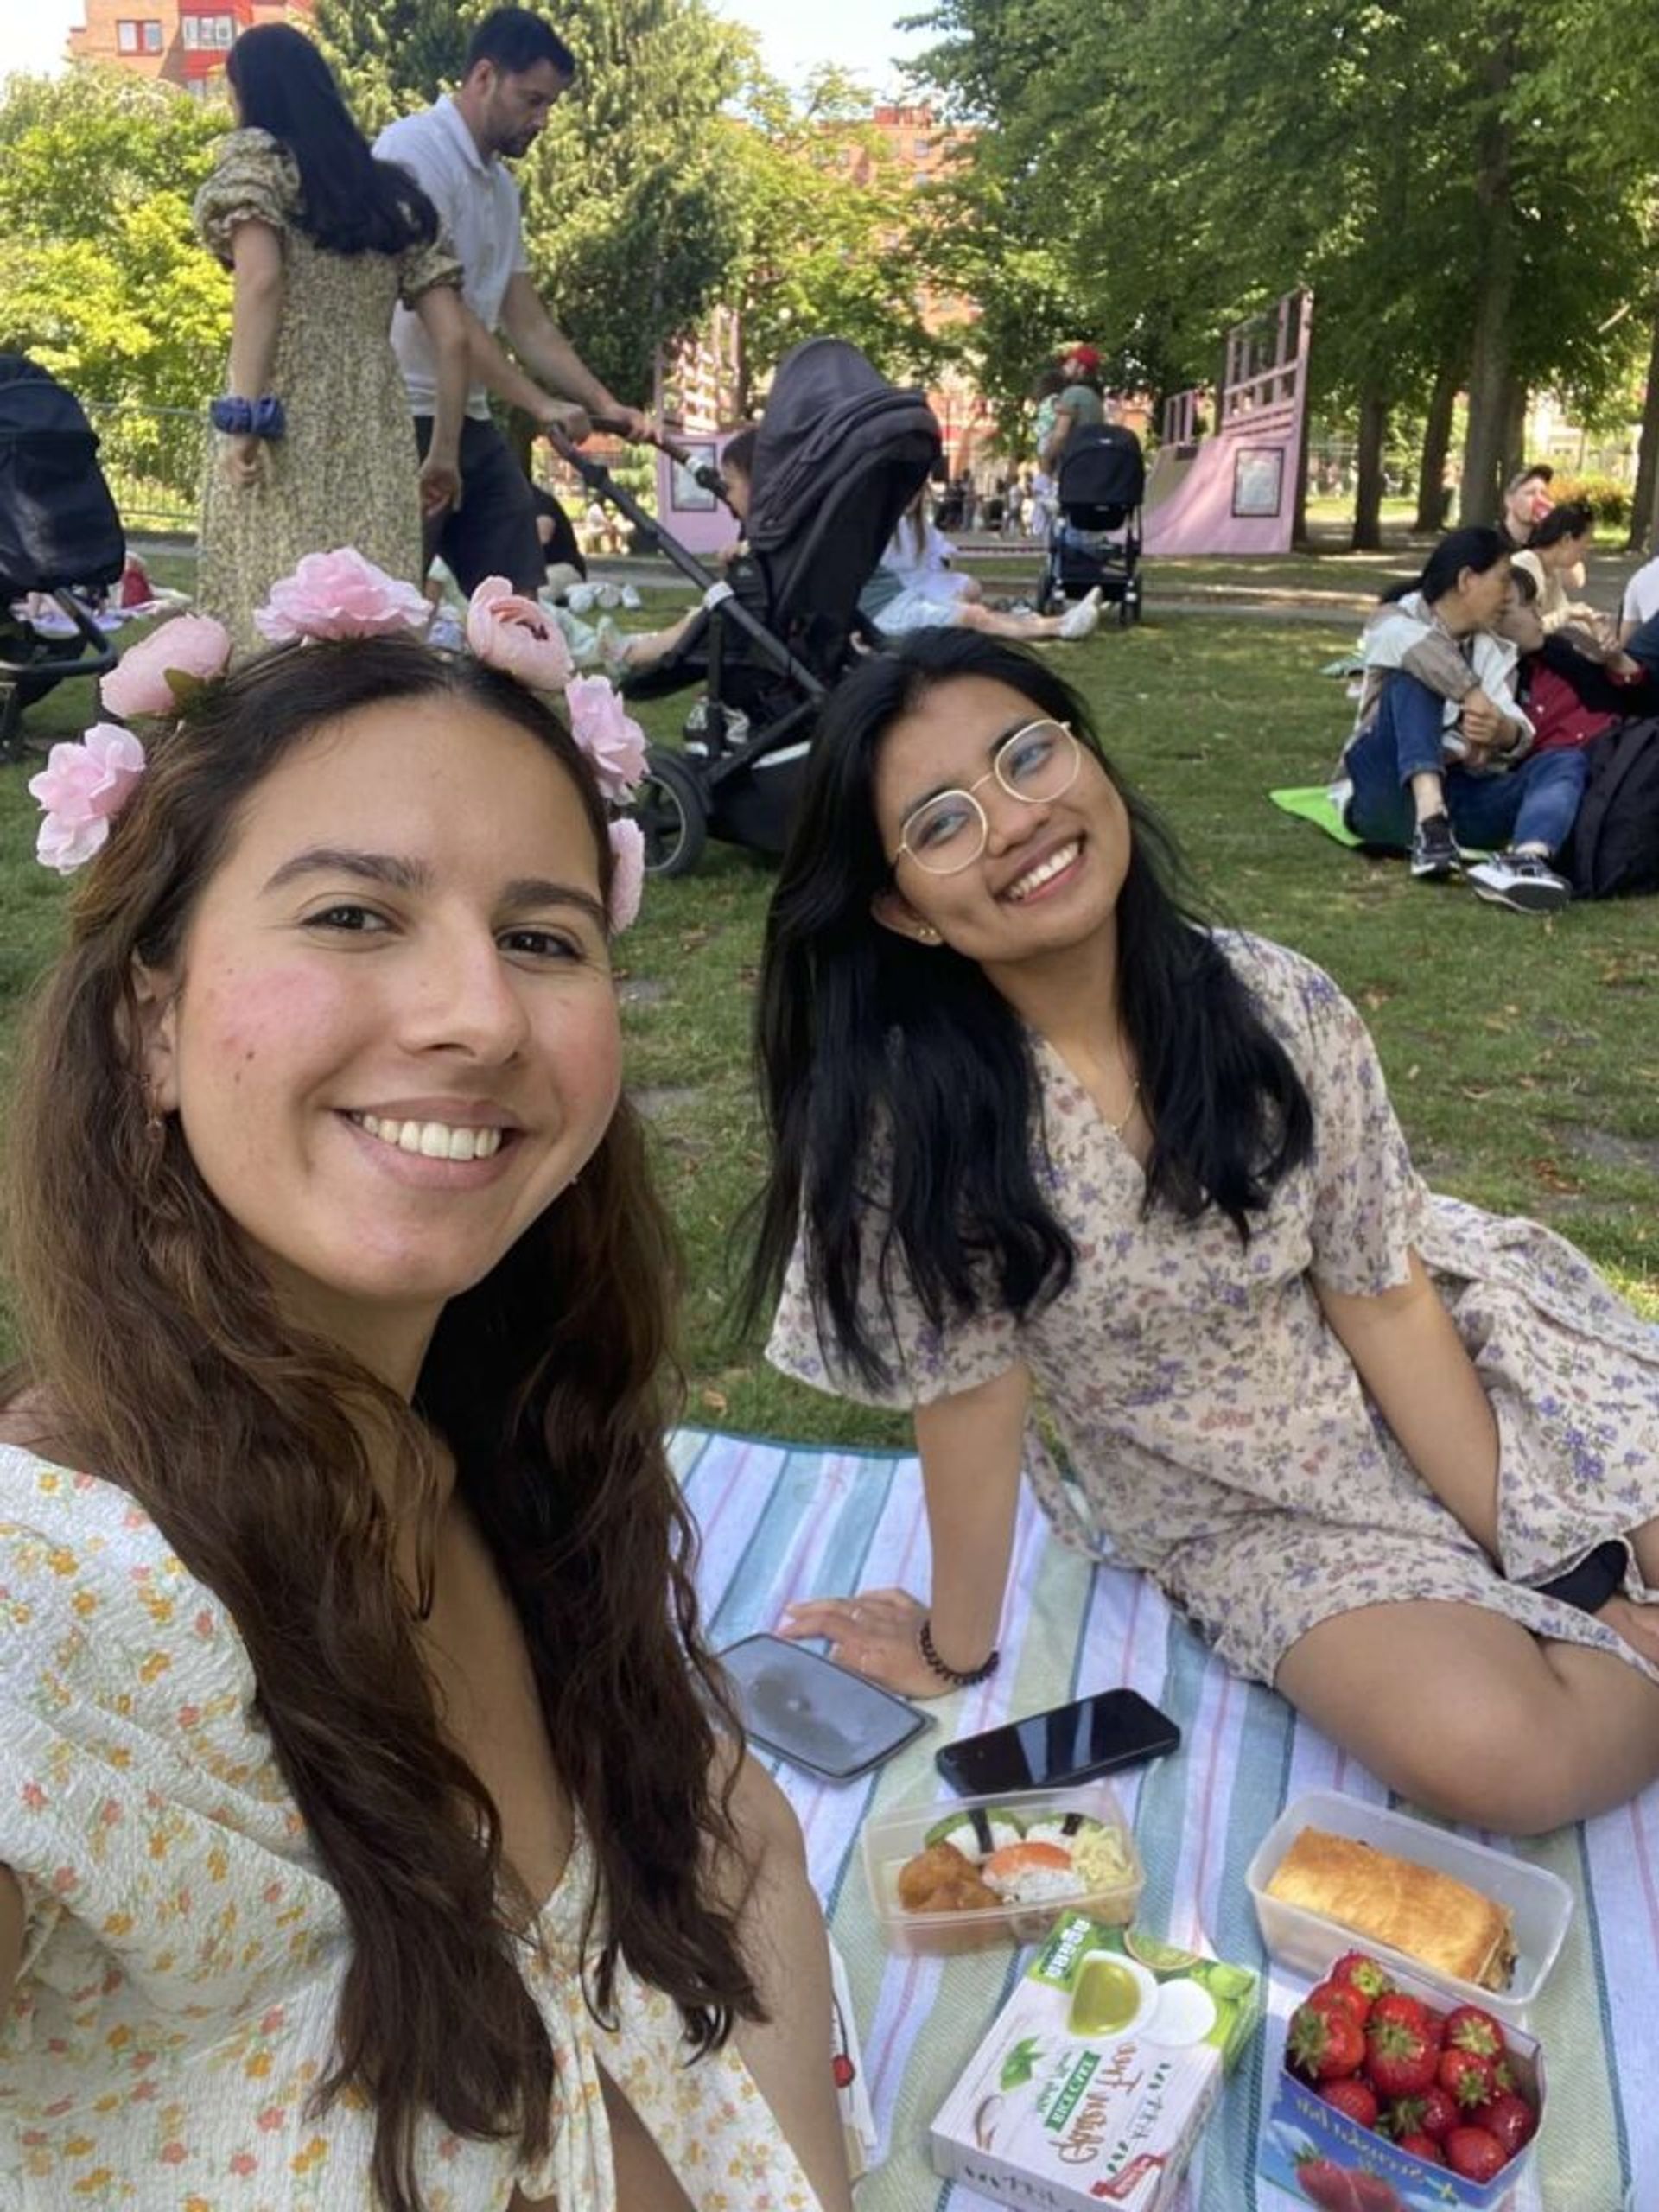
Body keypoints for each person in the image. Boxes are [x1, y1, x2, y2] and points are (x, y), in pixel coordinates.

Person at [0, 565, 854, 2210]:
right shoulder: (54, 1603)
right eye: (351, 915)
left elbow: (698, 1832)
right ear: (149, 1023)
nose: (477, 1016)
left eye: (543, 935)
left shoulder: (512, 1427)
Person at [744, 627, 1659, 1839]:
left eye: (1027, 756)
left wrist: (1557, 1562)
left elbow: (1383, 1302)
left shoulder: (1277, 1002)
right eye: (943, 822)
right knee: (1509, 1761)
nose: (1013, 820)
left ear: (1089, 759)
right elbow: (970, 1400)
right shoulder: (913, 1131)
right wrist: (951, 1650)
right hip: (1237, 1502)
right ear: (904, 910)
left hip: (1449, 1357)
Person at [194, 25, 469, 656]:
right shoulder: (392, 199)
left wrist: (243, 416)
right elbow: (453, 338)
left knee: (270, 608)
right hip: (374, 418)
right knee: (367, 617)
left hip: (282, 410)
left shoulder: (261, 171)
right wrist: (444, 454)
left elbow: (261, 281)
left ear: (249, 92)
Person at [375, 9, 653, 598]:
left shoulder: (500, 186)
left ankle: (517, 685)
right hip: (400, 417)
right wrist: (538, 403)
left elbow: (528, 324)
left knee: (517, 601)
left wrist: (605, 402)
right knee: (388, 609)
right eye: (532, 100)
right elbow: (449, 317)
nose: (543, 119)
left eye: (550, 104)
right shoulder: (414, 151)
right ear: (483, 77)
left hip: (468, 416)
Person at [1341, 526, 1586, 912]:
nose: (1508, 596)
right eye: (1503, 580)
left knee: (1565, 760)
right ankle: (1430, 824)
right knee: (1416, 674)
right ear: (1467, 580)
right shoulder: (1393, 618)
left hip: (1461, 795)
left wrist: (1502, 733)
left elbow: (1518, 733)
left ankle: (1527, 861)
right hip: (1383, 789)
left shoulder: (1491, 648)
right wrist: (1471, 695)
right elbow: (1419, 650)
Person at [859, 485, 1103, 644]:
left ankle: (1051, 622)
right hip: (889, 610)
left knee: (974, 609)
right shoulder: (871, 527)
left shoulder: (904, 524)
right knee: (973, 616)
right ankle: (1058, 626)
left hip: (901, 600)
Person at [1512, 498, 1602, 637]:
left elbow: (1563, 613)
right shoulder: (1525, 567)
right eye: (1583, 547)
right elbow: (1521, 631)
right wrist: (1568, 614)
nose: (1584, 555)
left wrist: (1593, 625)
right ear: (1566, 539)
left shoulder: (1552, 569)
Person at [1039, 347, 1107, 474]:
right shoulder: (1096, 399)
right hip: (1090, 464)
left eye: (1071, 362)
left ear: (1081, 368)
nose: (1065, 366)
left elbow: (1060, 435)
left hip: (1071, 465)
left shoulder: (1072, 394)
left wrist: (1046, 457)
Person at [1498, 462, 1554, 552]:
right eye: (1530, 493)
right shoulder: (1489, 546)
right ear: (1509, 500)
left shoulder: (1547, 547)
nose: (1540, 500)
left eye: (1544, 494)